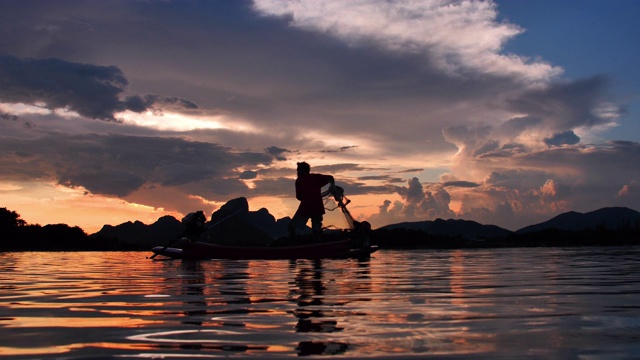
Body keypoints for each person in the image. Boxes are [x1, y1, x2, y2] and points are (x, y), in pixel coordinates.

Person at [289, 162, 335, 238]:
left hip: (305, 208)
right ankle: (317, 243)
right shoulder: (316, 177)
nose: (297, 172)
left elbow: (299, 197)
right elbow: (330, 178)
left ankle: (293, 242)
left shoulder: (299, 180)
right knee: (316, 230)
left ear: (302, 170)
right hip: (317, 207)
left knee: (292, 227)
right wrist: (333, 187)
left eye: (298, 170)